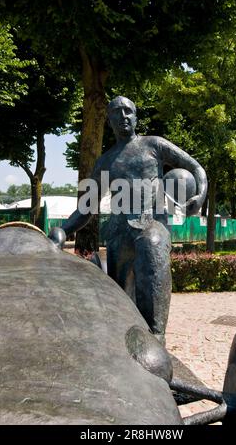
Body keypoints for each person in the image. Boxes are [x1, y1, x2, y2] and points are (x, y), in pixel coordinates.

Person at [49, 96, 207, 344]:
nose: (123, 116)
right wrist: (62, 229)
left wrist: (200, 193)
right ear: (109, 120)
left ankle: (157, 338)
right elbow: (87, 207)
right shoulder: (105, 162)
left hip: (151, 223)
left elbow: (195, 167)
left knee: (152, 244)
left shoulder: (154, 145)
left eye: (128, 111)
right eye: (116, 112)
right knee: (124, 302)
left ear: (135, 117)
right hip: (119, 233)